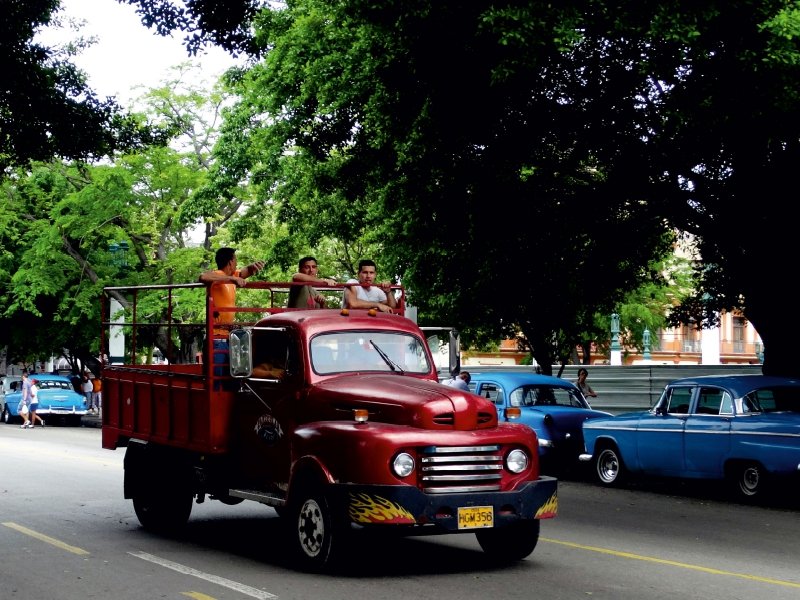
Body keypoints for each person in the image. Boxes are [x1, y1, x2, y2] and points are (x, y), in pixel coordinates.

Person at [199, 248, 265, 389]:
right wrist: (232, 279)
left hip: (230, 338)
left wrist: (253, 267)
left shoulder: (233, 275)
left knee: (234, 381)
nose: (236, 263)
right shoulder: (218, 275)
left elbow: (244, 272)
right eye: (235, 260)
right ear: (230, 262)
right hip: (216, 338)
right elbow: (203, 276)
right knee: (213, 383)